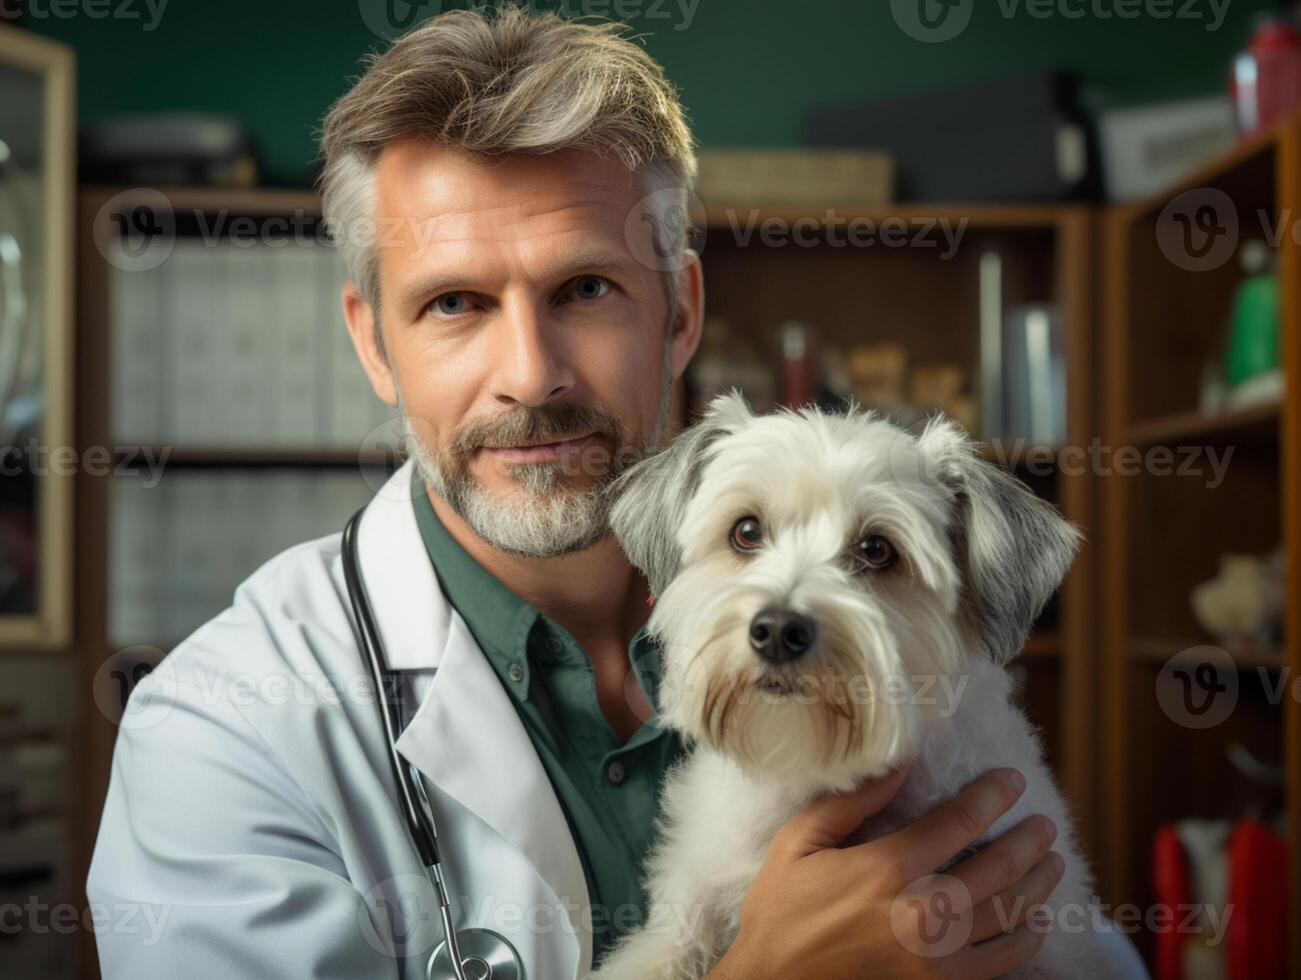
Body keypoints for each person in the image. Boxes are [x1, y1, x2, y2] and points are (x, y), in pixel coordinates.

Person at [87, 8, 1081, 978]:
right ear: (371, 343)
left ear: (679, 310)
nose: (530, 374)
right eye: (452, 303)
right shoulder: (219, 730)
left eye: (585, 289)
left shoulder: (944, 723)